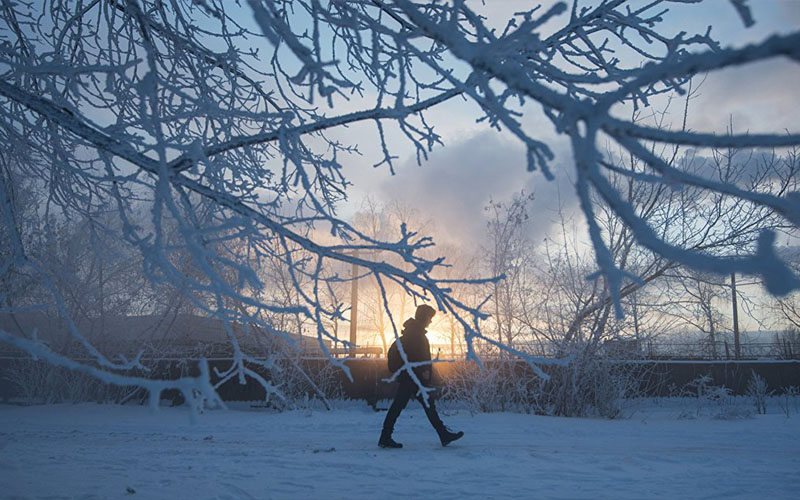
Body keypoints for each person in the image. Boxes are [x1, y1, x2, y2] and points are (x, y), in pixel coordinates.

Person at [378, 304, 464, 449]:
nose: (430, 321)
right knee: (403, 406)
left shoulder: (413, 334)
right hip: (412, 378)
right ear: (424, 317)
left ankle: (443, 434)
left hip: (412, 378)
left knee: (419, 405)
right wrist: (423, 374)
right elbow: (417, 359)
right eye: (429, 318)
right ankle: (385, 437)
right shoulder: (416, 336)